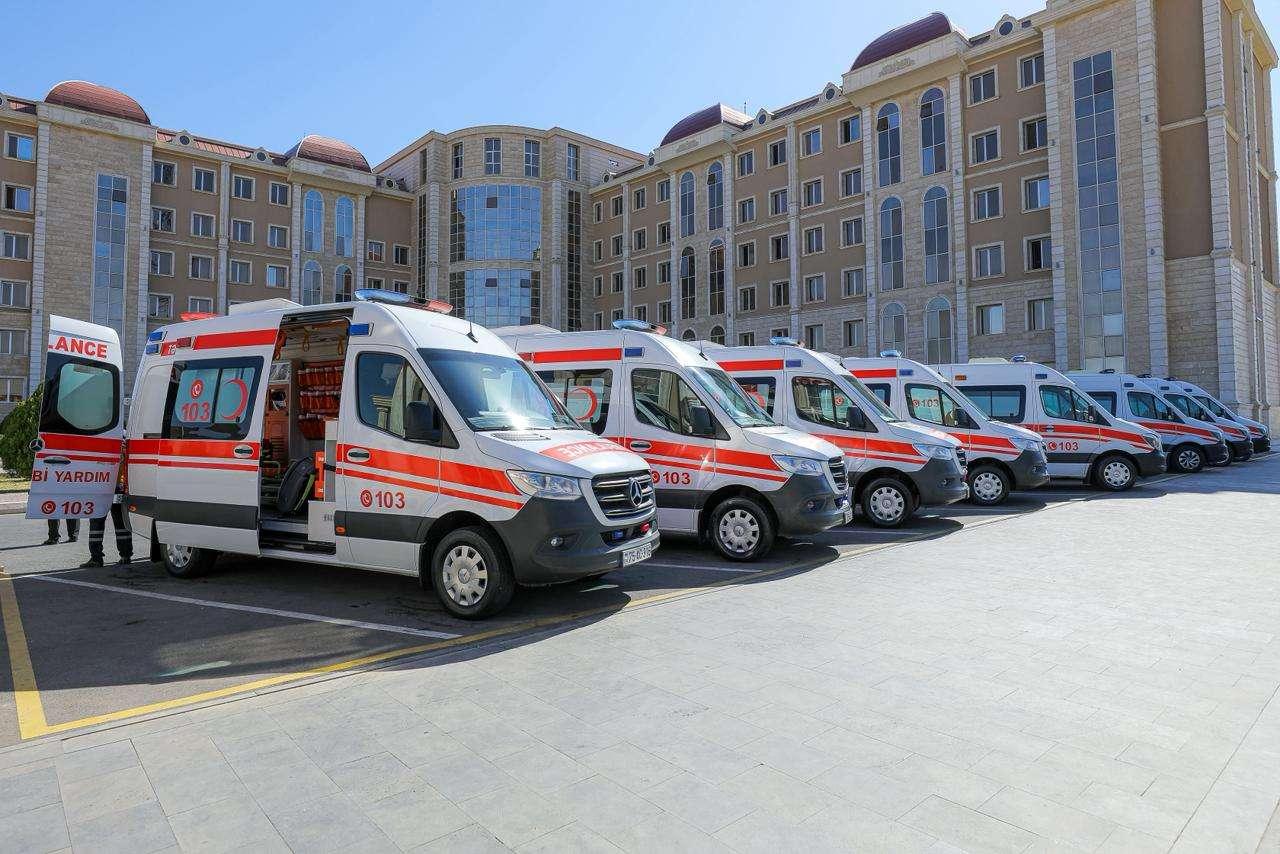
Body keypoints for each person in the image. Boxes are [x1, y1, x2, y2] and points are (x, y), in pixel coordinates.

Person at [81, 453, 132, 568]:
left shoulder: (101, 446)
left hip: (102, 486)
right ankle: (125, 555)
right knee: (120, 522)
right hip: (118, 487)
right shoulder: (123, 444)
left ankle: (96, 558)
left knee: (97, 521)